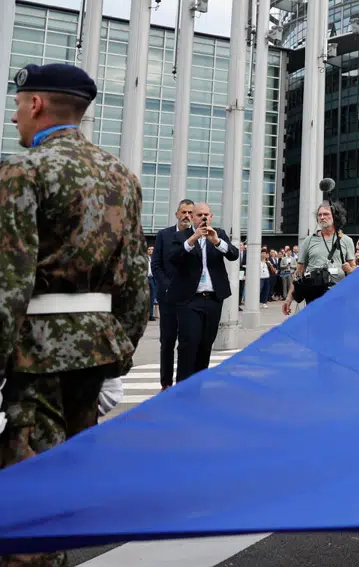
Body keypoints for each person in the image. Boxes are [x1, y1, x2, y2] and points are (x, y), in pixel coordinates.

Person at [0, 63, 148, 567]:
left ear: (36, 104)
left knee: (27, 489)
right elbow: (133, 281)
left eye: (19, 103)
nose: (16, 113)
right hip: (94, 350)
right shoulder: (121, 178)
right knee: (63, 484)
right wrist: (119, 358)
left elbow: (8, 281)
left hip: (34, 352)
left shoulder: (24, 172)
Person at [164, 202, 238, 383]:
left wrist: (217, 242)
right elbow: (173, 258)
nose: (203, 218)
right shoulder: (180, 236)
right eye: (199, 215)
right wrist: (193, 239)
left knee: (205, 345)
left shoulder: (218, 234)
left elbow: (234, 254)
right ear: (192, 217)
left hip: (213, 298)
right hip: (190, 300)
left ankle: (197, 386)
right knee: (189, 344)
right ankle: (183, 387)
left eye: (206, 215)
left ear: (211, 217)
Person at [151, 199, 194, 390]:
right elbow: (156, 265)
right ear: (177, 214)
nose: (186, 216)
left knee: (186, 342)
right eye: (183, 212)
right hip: (168, 297)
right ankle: (166, 383)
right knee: (167, 341)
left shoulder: (198, 236)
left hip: (189, 299)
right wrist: (168, 287)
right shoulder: (164, 235)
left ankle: (183, 383)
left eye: (190, 213)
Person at [283, 203, 356, 315]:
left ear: (335, 216)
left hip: (338, 294)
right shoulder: (309, 240)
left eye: (326, 214)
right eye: (319, 215)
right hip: (314, 294)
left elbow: (354, 269)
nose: (322, 217)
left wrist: (350, 270)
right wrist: (289, 298)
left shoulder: (346, 240)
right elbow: (299, 272)